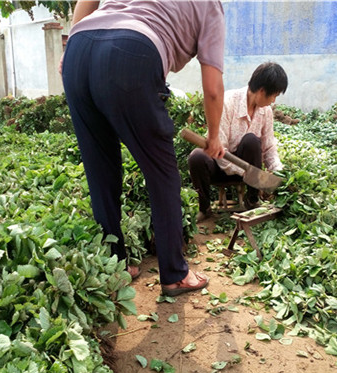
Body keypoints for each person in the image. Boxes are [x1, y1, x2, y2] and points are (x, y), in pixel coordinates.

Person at [61, 0, 226, 296]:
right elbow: (212, 88)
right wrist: (214, 137)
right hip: (131, 53)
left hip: (78, 50)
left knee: (100, 171)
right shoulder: (211, 5)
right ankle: (175, 274)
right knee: (162, 173)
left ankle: (116, 266)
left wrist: (74, 40)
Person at [188, 62, 288, 221]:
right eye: (274, 96)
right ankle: (205, 208)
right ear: (262, 92)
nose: (274, 101)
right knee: (197, 156)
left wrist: (279, 172)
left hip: (248, 174)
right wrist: (249, 173)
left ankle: (252, 200)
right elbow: (220, 152)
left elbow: (269, 147)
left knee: (251, 141)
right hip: (220, 166)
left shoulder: (265, 111)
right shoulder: (227, 103)